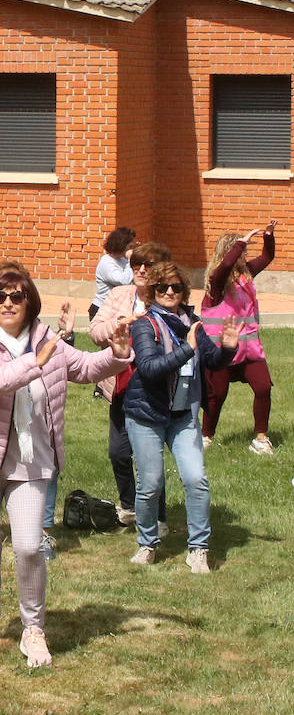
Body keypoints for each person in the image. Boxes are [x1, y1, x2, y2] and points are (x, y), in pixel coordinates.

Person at [0, 262, 130, 667]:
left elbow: (82, 367)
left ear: (30, 301)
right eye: (0, 296)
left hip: (31, 460)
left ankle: (33, 630)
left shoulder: (46, 339)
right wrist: (34, 361)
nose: (8, 303)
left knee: (30, 547)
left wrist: (117, 356)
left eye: (17, 296)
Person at [123, 261, 237, 575]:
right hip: (146, 414)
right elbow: (148, 368)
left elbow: (211, 359)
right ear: (152, 292)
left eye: (176, 287)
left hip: (183, 414)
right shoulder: (144, 324)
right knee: (151, 484)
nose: (170, 292)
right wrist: (187, 349)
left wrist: (227, 348)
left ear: (184, 290)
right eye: (163, 287)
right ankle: (147, 543)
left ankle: (198, 549)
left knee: (196, 479)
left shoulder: (193, 322)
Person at [89, 242, 173, 526]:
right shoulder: (119, 295)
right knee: (119, 452)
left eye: (148, 265)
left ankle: (158, 517)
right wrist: (121, 323)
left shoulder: (166, 300)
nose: (140, 270)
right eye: (136, 264)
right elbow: (95, 331)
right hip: (121, 388)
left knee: (150, 459)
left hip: (153, 389)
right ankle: (129, 505)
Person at [200, 221, 276, 454]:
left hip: (250, 348)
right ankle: (205, 437)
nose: (246, 255)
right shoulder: (216, 283)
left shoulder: (246, 275)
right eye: (243, 251)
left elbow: (267, 257)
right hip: (221, 350)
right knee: (216, 396)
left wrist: (268, 236)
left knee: (263, 387)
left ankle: (261, 439)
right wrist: (239, 243)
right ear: (230, 252)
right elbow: (225, 267)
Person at [91, 226, 136, 320]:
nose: (132, 249)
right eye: (130, 247)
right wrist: (130, 261)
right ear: (122, 245)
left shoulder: (123, 260)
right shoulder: (106, 263)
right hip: (102, 309)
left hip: (118, 308)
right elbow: (124, 281)